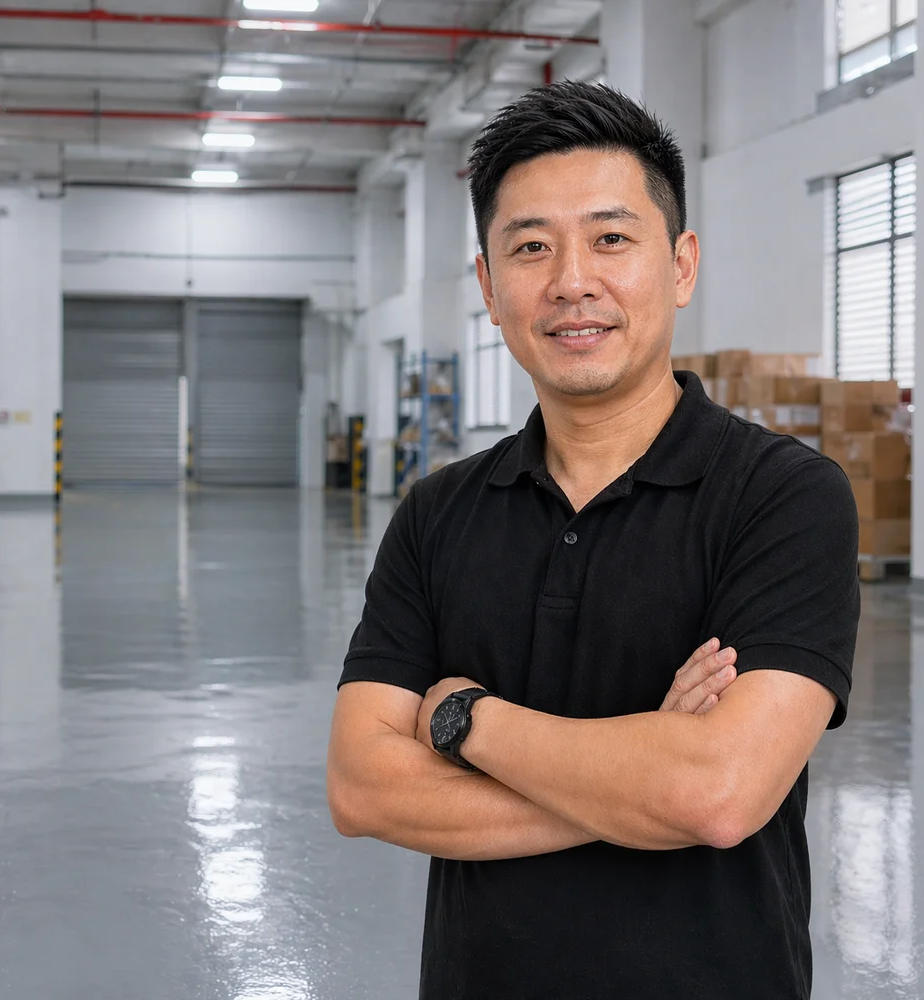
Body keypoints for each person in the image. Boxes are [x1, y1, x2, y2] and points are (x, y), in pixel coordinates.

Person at [325, 81, 860, 999]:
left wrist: (465, 720)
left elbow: (720, 796)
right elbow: (364, 788)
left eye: (612, 238)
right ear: (490, 289)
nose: (572, 280)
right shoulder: (438, 514)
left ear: (681, 263)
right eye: (531, 248)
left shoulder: (784, 498)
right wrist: (646, 766)